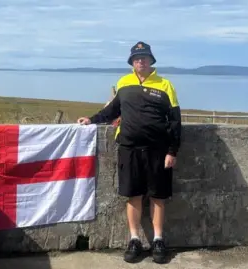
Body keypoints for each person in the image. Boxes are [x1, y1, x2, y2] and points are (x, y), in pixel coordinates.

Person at [77, 41, 182, 264]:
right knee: (133, 195)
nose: (140, 61)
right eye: (136, 58)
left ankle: (158, 240)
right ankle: (134, 240)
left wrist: (172, 151)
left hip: (158, 150)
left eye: (144, 57)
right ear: (131, 62)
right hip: (129, 149)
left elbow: (174, 121)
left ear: (151, 60)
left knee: (158, 196)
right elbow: (112, 110)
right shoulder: (123, 83)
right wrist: (92, 120)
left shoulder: (165, 85)